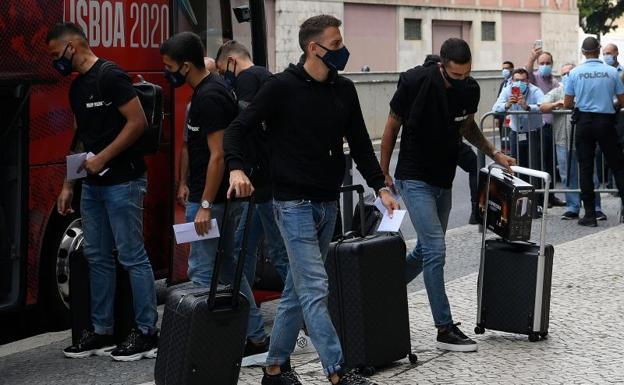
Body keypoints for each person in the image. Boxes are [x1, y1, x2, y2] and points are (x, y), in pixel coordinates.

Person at [224, 14, 400, 385]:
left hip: (326, 203)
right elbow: (238, 129)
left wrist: (380, 187)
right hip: (292, 205)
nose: (342, 51)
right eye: (335, 45)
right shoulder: (280, 87)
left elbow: (360, 146)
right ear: (312, 47)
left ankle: (273, 369)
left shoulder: (344, 89)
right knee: (316, 288)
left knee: (297, 289)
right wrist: (236, 169)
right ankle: (338, 371)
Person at [380, 38, 516, 353]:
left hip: (443, 178)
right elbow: (390, 128)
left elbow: (467, 127)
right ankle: (444, 327)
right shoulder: (416, 82)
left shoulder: (470, 89)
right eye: (455, 75)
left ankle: (382, 290)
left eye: (466, 74)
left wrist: (495, 153)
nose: (461, 80)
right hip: (413, 177)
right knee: (436, 250)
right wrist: (383, 175)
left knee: (425, 251)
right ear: (442, 65)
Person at [46, 22, 159, 361]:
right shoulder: (78, 88)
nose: (55, 62)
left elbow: (138, 123)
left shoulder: (111, 76)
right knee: (96, 256)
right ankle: (101, 331)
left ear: (72, 47)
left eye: (56, 55)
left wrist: (105, 158)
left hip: (124, 180)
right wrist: (69, 184)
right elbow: (79, 138)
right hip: (93, 186)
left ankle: (147, 333)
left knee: (131, 256)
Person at [160, 32, 272, 349]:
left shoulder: (210, 97)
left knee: (201, 268)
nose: (166, 72)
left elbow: (218, 155)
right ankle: (252, 335)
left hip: (213, 201)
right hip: (213, 197)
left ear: (185, 66)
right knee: (227, 268)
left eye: (169, 66)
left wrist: (206, 204)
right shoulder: (212, 90)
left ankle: (208, 338)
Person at [215, 40, 290, 357]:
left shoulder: (247, 79)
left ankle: (308, 321)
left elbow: (242, 130)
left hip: (260, 186)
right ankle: (254, 331)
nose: (223, 77)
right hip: (265, 184)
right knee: (250, 255)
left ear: (232, 61)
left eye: (222, 71)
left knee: (272, 255)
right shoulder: (267, 77)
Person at [564, 36, 624, 226]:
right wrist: (611, 106)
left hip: (584, 122)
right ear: (599, 50)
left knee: (585, 168)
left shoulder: (574, 73)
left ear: (582, 52)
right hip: (605, 121)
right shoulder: (612, 72)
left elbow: (567, 103)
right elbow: (622, 100)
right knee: (617, 166)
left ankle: (590, 215)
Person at [539, 63, 606, 220]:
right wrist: (557, 104)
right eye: (564, 73)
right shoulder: (557, 91)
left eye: (570, 72)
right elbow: (542, 106)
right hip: (563, 140)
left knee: (592, 174)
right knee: (567, 175)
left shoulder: (586, 90)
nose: (567, 75)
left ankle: (596, 207)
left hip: (586, 139)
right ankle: (573, 207)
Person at [527, 47, 566, 207]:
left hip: (553, 128)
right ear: (537, 64)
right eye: (541, 63)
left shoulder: (554, 81)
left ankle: (551, 196)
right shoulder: (534, 78)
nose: (545, 65)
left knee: (551, 163)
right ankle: (541, 198)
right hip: (540, 128)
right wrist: (532, 58)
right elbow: (526, 72)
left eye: (547, 63)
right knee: (540, 163)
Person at [493, 68, 544, 190]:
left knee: (535, 166)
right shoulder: (507, 90)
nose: (519, 83)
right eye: (516, 80)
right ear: (512, 81)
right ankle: (521, 194)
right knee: (517, 164)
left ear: (528, 81)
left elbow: (543, 105)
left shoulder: (535, 90)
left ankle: (538, 196)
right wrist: (507, 105)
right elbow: (495, 107)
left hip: (533, 133)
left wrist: (527, 106)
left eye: (523, 80)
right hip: (516, 132)